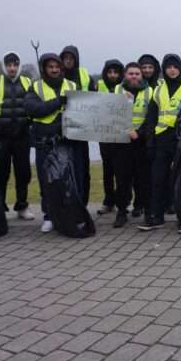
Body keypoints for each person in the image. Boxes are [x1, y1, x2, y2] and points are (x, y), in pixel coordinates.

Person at [141, 54, 181, 233]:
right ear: (164, 69)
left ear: (180, 68)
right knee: (157, 179)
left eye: (175, 67)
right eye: (168, 67)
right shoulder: (158, 89)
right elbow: (151, 116)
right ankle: (156, 216)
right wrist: (150, 141)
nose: (172, 70)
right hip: (162, 139)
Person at [24, 53, 77, 233]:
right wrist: (58, 102)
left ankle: (67, 214)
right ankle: (48, 216)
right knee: (46, 181)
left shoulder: (72, 86)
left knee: (67, 181)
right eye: (50, 67)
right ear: (44, 69)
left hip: (66, 141)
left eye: (57, 67)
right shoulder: (35, 86)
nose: (54, 70)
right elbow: (33, 109)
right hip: (44, 142)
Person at [0, 52, 33, 220]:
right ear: (4, 66)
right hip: (1, 136)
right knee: (1, 173)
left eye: (15, 65)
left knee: (23, 173)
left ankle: (22, 206)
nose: (12, 68)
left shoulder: (28, 82)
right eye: (9, 65)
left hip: (22, 135)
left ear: (19, 66)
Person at [112, 62, 154, 227]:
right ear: (125, 75)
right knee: (122, 180)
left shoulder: (150, 91)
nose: (134, 76)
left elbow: (151, 118)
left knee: (144, 179)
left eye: (137, 73)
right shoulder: (116, 91)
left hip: (141, 142)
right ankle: (122, 212)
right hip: (121, 143)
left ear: (141, 75)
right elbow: (109, 115)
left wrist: (139, 132)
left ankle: (147, 211)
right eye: (131, 73)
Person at [60, 45, 95, 206]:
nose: (68, 61)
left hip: (82, 131)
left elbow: (95, 98)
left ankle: (82, 203)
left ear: (76, 59)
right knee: (64, 170)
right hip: (61, 131)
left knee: (82, 169)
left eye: (71, 58)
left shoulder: (84, 75)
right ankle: (66, 204)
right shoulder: (56, 74)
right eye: (65, 58)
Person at [96, 59, 125, 216]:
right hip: (104, 134)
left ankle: (122, 202)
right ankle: (108, 201)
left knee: (122, 171)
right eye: (110, 72)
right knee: (107, 170)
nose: (113, 75)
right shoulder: (98, 85)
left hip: (121, 135)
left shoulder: (125, 87)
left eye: (116, 72)